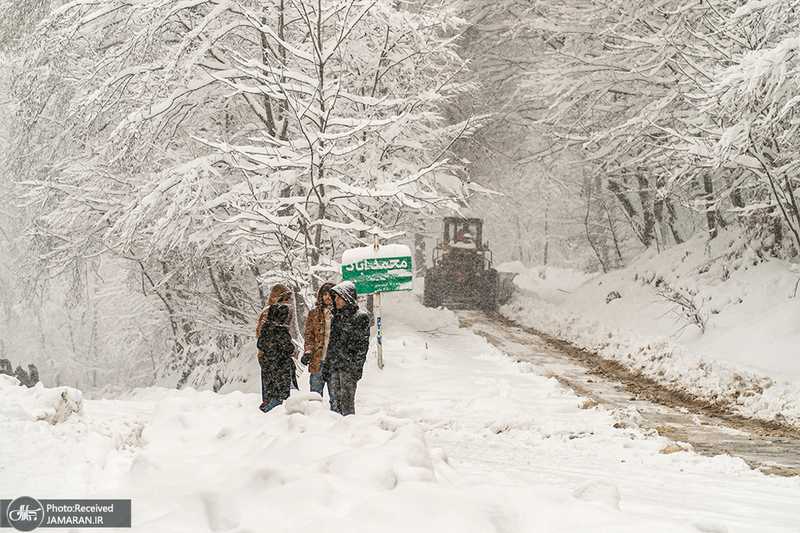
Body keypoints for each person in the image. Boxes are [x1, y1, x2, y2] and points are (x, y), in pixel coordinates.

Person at [324, 281, 370, 416]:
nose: (335, 300)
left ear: (347, 297)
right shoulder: (337, 317)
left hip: (349, 367)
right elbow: (332, 343)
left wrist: (356, 367)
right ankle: (342, 429)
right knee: (338, 402)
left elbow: (362, 345)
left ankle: (350, 428)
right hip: (336, 365)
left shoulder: (360, 317)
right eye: (335, 297)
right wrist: (327, 364)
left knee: (347, 402)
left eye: (338, 297)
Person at [256, 284, 298, 405]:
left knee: (278, 390)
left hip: (277, 357)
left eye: (288, 299)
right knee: (276, 392)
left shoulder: (280, 311)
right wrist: (282, 346)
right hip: (273, 358)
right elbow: (263, 337)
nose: (287, 302)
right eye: (284, 299)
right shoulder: (270, 312)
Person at [301, 281, 337, 411]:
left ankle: (339, 425)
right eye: (325, 294)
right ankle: (316, 424)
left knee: (336, 399)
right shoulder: (313, 314)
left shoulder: (341, 313)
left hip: (335, 362)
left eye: (330, 294)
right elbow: (309, 336)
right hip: (318, 362)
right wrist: (308, 352)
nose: (327, 297)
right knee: (315, 399)